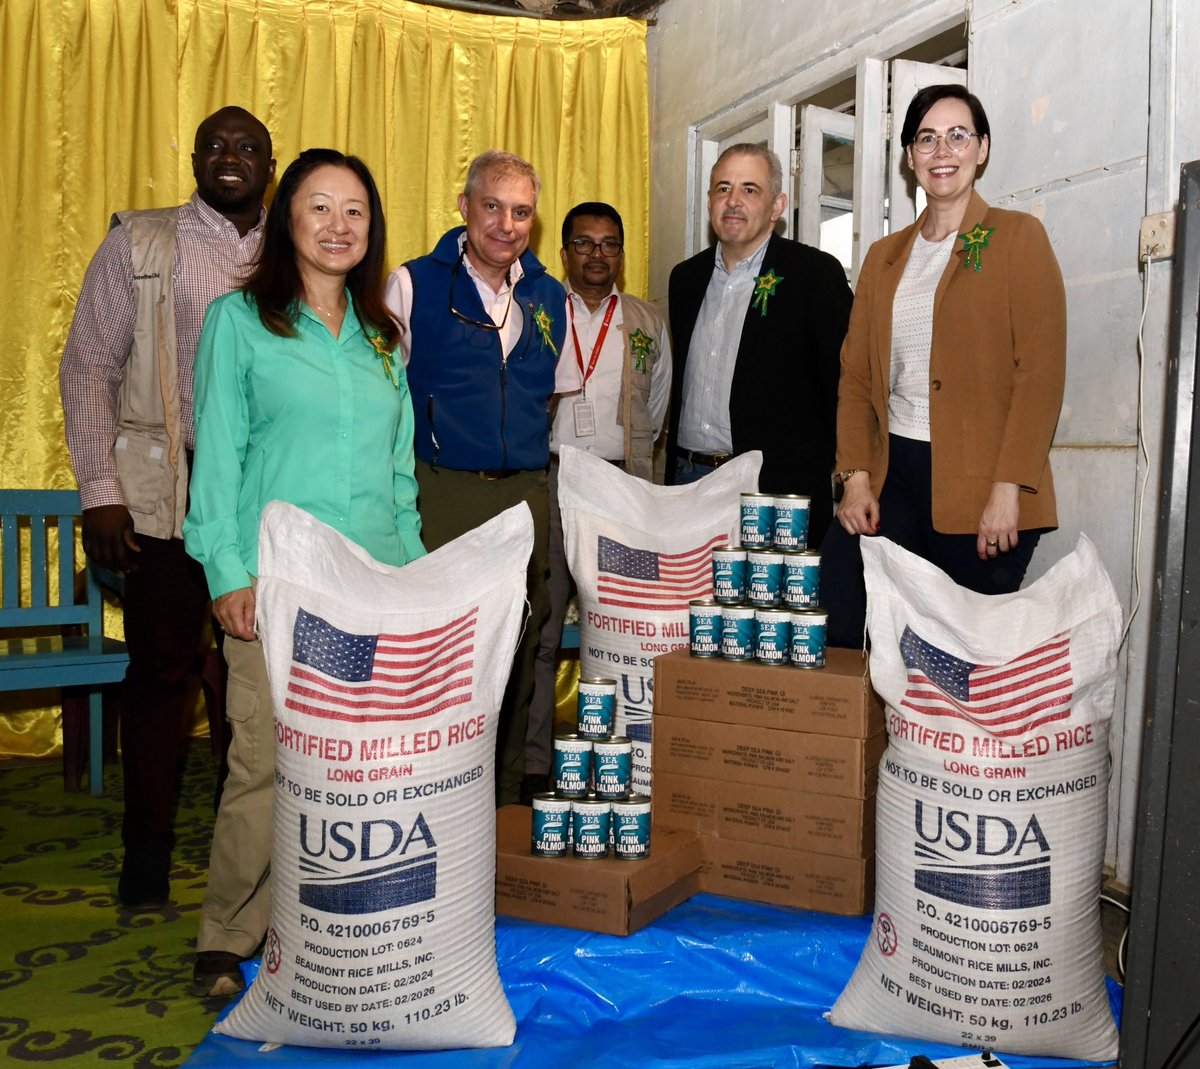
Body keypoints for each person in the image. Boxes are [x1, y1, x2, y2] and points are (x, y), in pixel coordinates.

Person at [182, 148, 426, 996]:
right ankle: (229, 933)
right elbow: (215, 461)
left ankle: (335, 919)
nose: (337, 225)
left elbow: (399, 480)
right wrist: (225, 572)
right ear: (288, 219)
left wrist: (417, 580)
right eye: (318, 207)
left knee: (359, 762)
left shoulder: (383, 338)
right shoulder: (239, 321)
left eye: (354, 211)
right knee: (264, 758)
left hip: (371, 584)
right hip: (275, 583)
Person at [60, 106, 275, 913]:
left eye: (246, 146)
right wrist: (100, 494)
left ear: (269, 163)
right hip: (160, 499)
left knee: (249, 686)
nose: (230, 156)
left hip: (260, 504)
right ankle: (144, 858)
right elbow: (86, 368)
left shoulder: (293, 246)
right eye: (215, 144)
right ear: (193, 158)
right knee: (158, 677)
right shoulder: (141, 242)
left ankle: (244, 856)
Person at [820, 84, 1066, 648]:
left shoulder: (1015, 238)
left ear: (982, 148)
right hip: (893, 475)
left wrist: (1009, 489)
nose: (942, 150)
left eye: (958, 135)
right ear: (909, 157)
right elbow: (856, 377)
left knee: (954, 655)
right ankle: (858, 741)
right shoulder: (884, 257)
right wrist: (854, 478)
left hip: (985, 484)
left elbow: (1041, 374)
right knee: (840, 613)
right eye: (926, 138)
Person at [384, 150, 565, 807]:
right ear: (464, 207)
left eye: (521, 211)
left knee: (520, 637)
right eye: (493, 206)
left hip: (522, 491)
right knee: (443, 644)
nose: (506, 224)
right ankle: (433, 788)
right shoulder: (411, 284)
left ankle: (508, 791)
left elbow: (545, 396)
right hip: (443, 487)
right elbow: (386, 397)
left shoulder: (550, 295)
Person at [525, 202, 673, 800]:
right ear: (564, 253)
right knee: (542, 627)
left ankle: (621, 757)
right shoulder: (535, 312)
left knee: (621, 629)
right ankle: (534, 762)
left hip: (621, 490)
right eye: (584, 243)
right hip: (552, 485)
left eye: (609, 244)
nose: (597, 255)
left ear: (620, 253)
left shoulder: (645, 322)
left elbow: (658, 408)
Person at [666, 143, 852, 546]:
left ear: (777, 205)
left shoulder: (814, 275)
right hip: (690, 481)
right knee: (694, 608)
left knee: (771, 609)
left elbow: (845, 387)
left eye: (750, 190)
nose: (733, 201)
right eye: (722, 188)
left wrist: (852, 474)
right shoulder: (685, 279)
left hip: (774, 489)